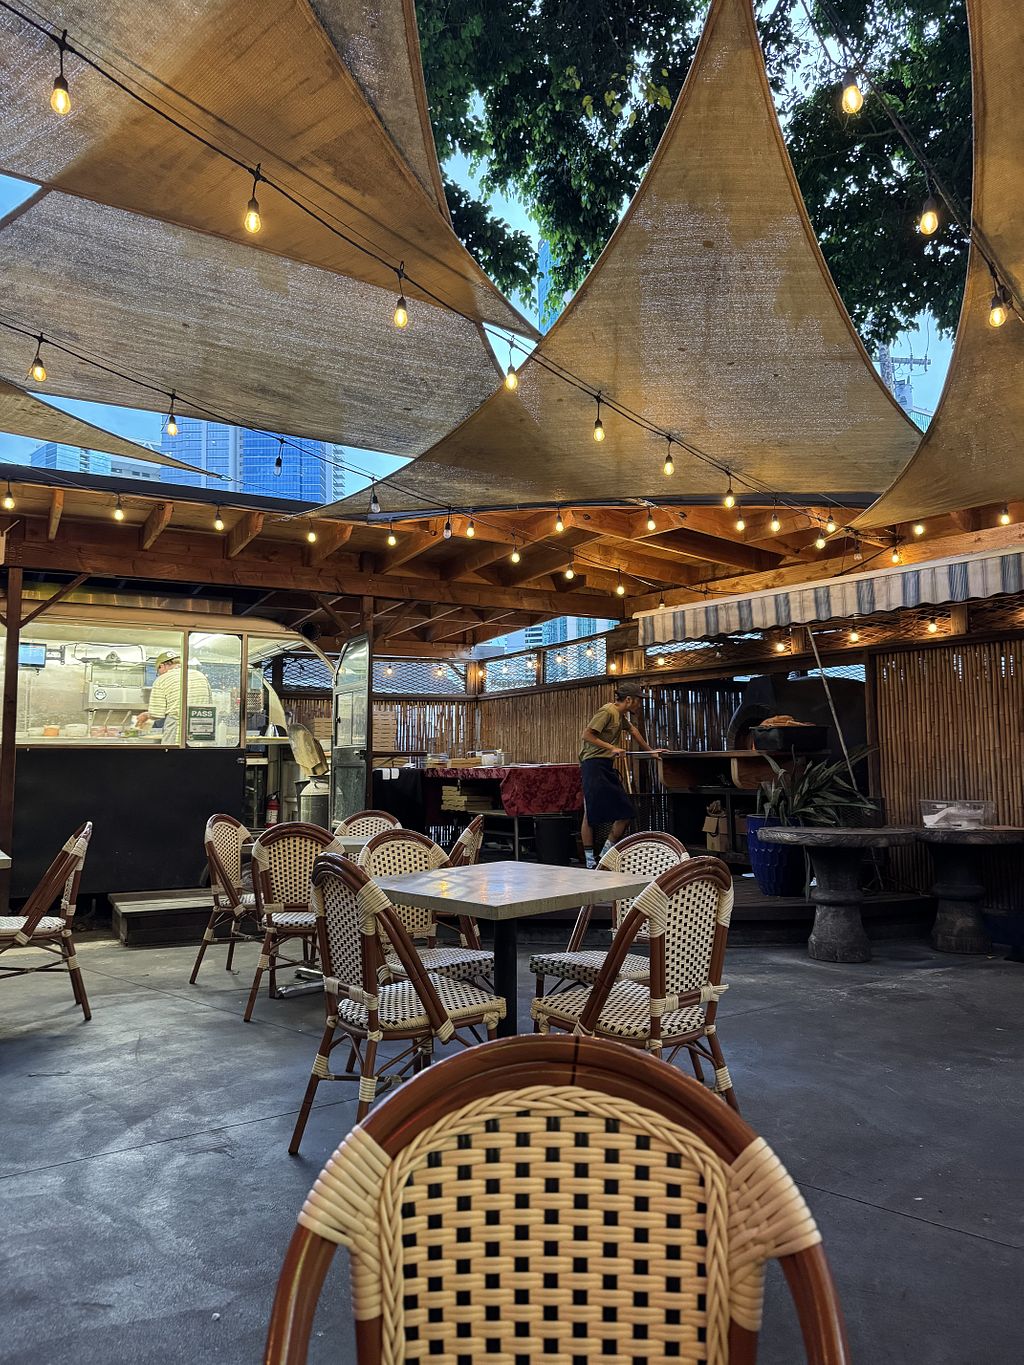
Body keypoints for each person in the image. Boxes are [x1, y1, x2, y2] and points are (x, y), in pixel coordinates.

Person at [579, 683, 663, 867]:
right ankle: (590, 861)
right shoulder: (607, 711)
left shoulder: (621, 715)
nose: (639, 705)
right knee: (590, 814)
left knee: (625, 812)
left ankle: (604, 856)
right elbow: (587, 735)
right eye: (638, 700)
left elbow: (633, 730)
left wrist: (650, 751)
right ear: (629, 699)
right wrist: (612, 748)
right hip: (593, 765)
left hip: (606, 766)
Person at [137, 650, 212, 744]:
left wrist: (147, 715)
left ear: (162, 666)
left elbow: (157, 713)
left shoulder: (162, 680)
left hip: (177, 732)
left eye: (158, 672)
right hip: (202, 730)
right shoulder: (200, 676)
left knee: (174, 752)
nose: (159, 674)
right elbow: (210, 703)